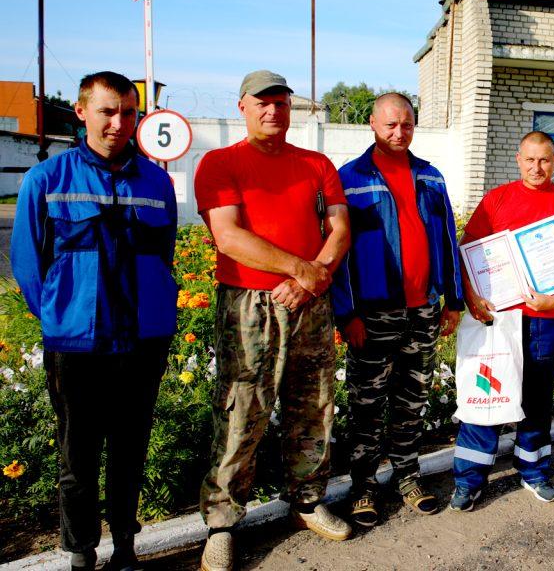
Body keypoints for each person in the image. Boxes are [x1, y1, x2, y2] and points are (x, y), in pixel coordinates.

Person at [11, 71, 177, 571]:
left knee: (130, 451)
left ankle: (125, 546)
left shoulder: (156, 181)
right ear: (81, 112)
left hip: (143, 340)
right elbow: (27, 264)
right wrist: (63, 314)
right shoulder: (47, 180)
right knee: (77, 458)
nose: (119, 122)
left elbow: (162, 256)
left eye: (128, 112)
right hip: (77, 344)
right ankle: (80, 551)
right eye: (107, 111)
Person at [194, 70, 352, 571]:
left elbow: (340, 228)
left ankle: (306, 501)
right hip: (248, 306)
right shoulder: (220, 163)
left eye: (281, 103)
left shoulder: (316, 164)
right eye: (262, 103)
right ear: (242, 106)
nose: (272, 111)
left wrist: (311, 280)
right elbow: (230, 237)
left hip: (309, 302)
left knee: (314, 404)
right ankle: (221, 524)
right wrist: (302, 268)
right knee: (243, 408)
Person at [332, 92, 463, 527]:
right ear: (372, 123)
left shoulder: (431, 177)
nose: (398, 132)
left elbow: (447, 239)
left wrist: (453, 299)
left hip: (423, 310)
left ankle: (407, 474)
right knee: (366, 403)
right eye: (390, 124)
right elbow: (336, 252)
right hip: (372, 315)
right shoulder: (349, 178)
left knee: (413, 399)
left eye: (406, 124)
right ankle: (364, 484)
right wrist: (345, 313)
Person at [449, 130, 554, 512]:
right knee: (487, 395)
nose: (537, 167)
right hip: (497, 319)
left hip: (544, 318)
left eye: (544, 160)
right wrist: (471, 295)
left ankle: (533, 471)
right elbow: (466, 251)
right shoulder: (497, 200)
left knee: (537, 399)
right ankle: (469, 480)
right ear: (518, 159)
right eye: (530, 160)